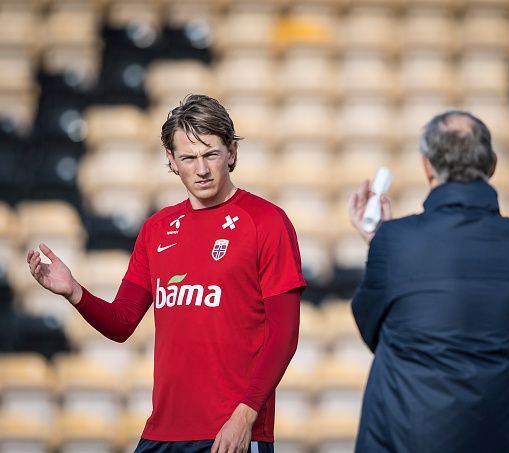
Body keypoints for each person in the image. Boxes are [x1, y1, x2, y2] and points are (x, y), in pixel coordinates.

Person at [26, 94, 306, 453]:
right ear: (172, 161)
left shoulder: (267, 222)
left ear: (232, 153)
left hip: (230, 434)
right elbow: (122, 322)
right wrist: (74, 292)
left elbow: (285, 334)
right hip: (161, 434)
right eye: (189, 157)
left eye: (211, 154)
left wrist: (245, 415)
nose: (201, 169)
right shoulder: (157, 229)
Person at [348, 110, 509, 453]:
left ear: (427, 167)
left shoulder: (396, 241)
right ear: (492, 164)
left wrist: (379, 241)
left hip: (403, 440)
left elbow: (376, 331)